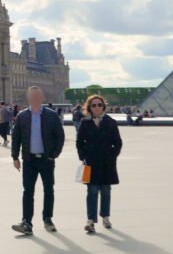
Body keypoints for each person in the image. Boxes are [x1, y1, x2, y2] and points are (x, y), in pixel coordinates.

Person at [10, 86, 65, 235]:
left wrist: (54, 154)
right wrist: (15, 157)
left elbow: (60, 136)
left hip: (46, 159)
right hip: (29, 160)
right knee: (28, 191)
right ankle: (26, 222)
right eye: (32, 96)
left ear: (42, 98)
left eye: (37, 96)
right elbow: (16, 137)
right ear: (29, 98)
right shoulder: (22, 116)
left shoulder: (51, 115)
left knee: (48, 190)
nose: (34, 98)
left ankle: (47, 219)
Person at [76, 94, 123, 234]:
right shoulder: (85, 123)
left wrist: (112, 156)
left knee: (106, 192)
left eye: (99, 105)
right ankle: (90, 221)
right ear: (89, 107)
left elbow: (118, 143)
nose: (97, 107)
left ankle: (105, 217)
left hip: (107, 162)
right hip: (90, 162)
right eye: (94, 105)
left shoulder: (111, 122)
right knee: (91, 192)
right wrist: (83, 157)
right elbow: (79, 143)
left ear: (104, 106)